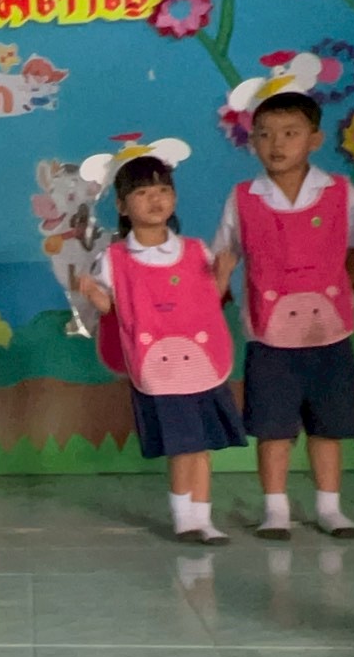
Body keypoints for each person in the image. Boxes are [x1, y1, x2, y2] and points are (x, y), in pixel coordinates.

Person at [213, 91, 354, 540]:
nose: (277, 144)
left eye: (290, 133)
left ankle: (330, 508)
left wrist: (351, 273)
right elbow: (224, 253)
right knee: (273, 429)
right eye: (264, 135)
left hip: (329, 331)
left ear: (314, 139)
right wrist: (216, 290)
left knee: (328, 426)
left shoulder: (340, 192)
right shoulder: (243, 198)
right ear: (252, 142)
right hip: (269, 336)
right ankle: (275, 510)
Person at [76, 137, 246, 545]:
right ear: (121, 206)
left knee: (201, 446)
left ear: (174, 197)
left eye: (163, 189)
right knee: (182, 446)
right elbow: (113, 309)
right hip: (158, 368)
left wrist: (223, 274)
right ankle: (184, 519)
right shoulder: (115, 259)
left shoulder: (196, 251)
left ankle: (203, 518)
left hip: (200, 363)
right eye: (142, 192)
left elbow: (209, 301)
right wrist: (92, 293)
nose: (155, 199)